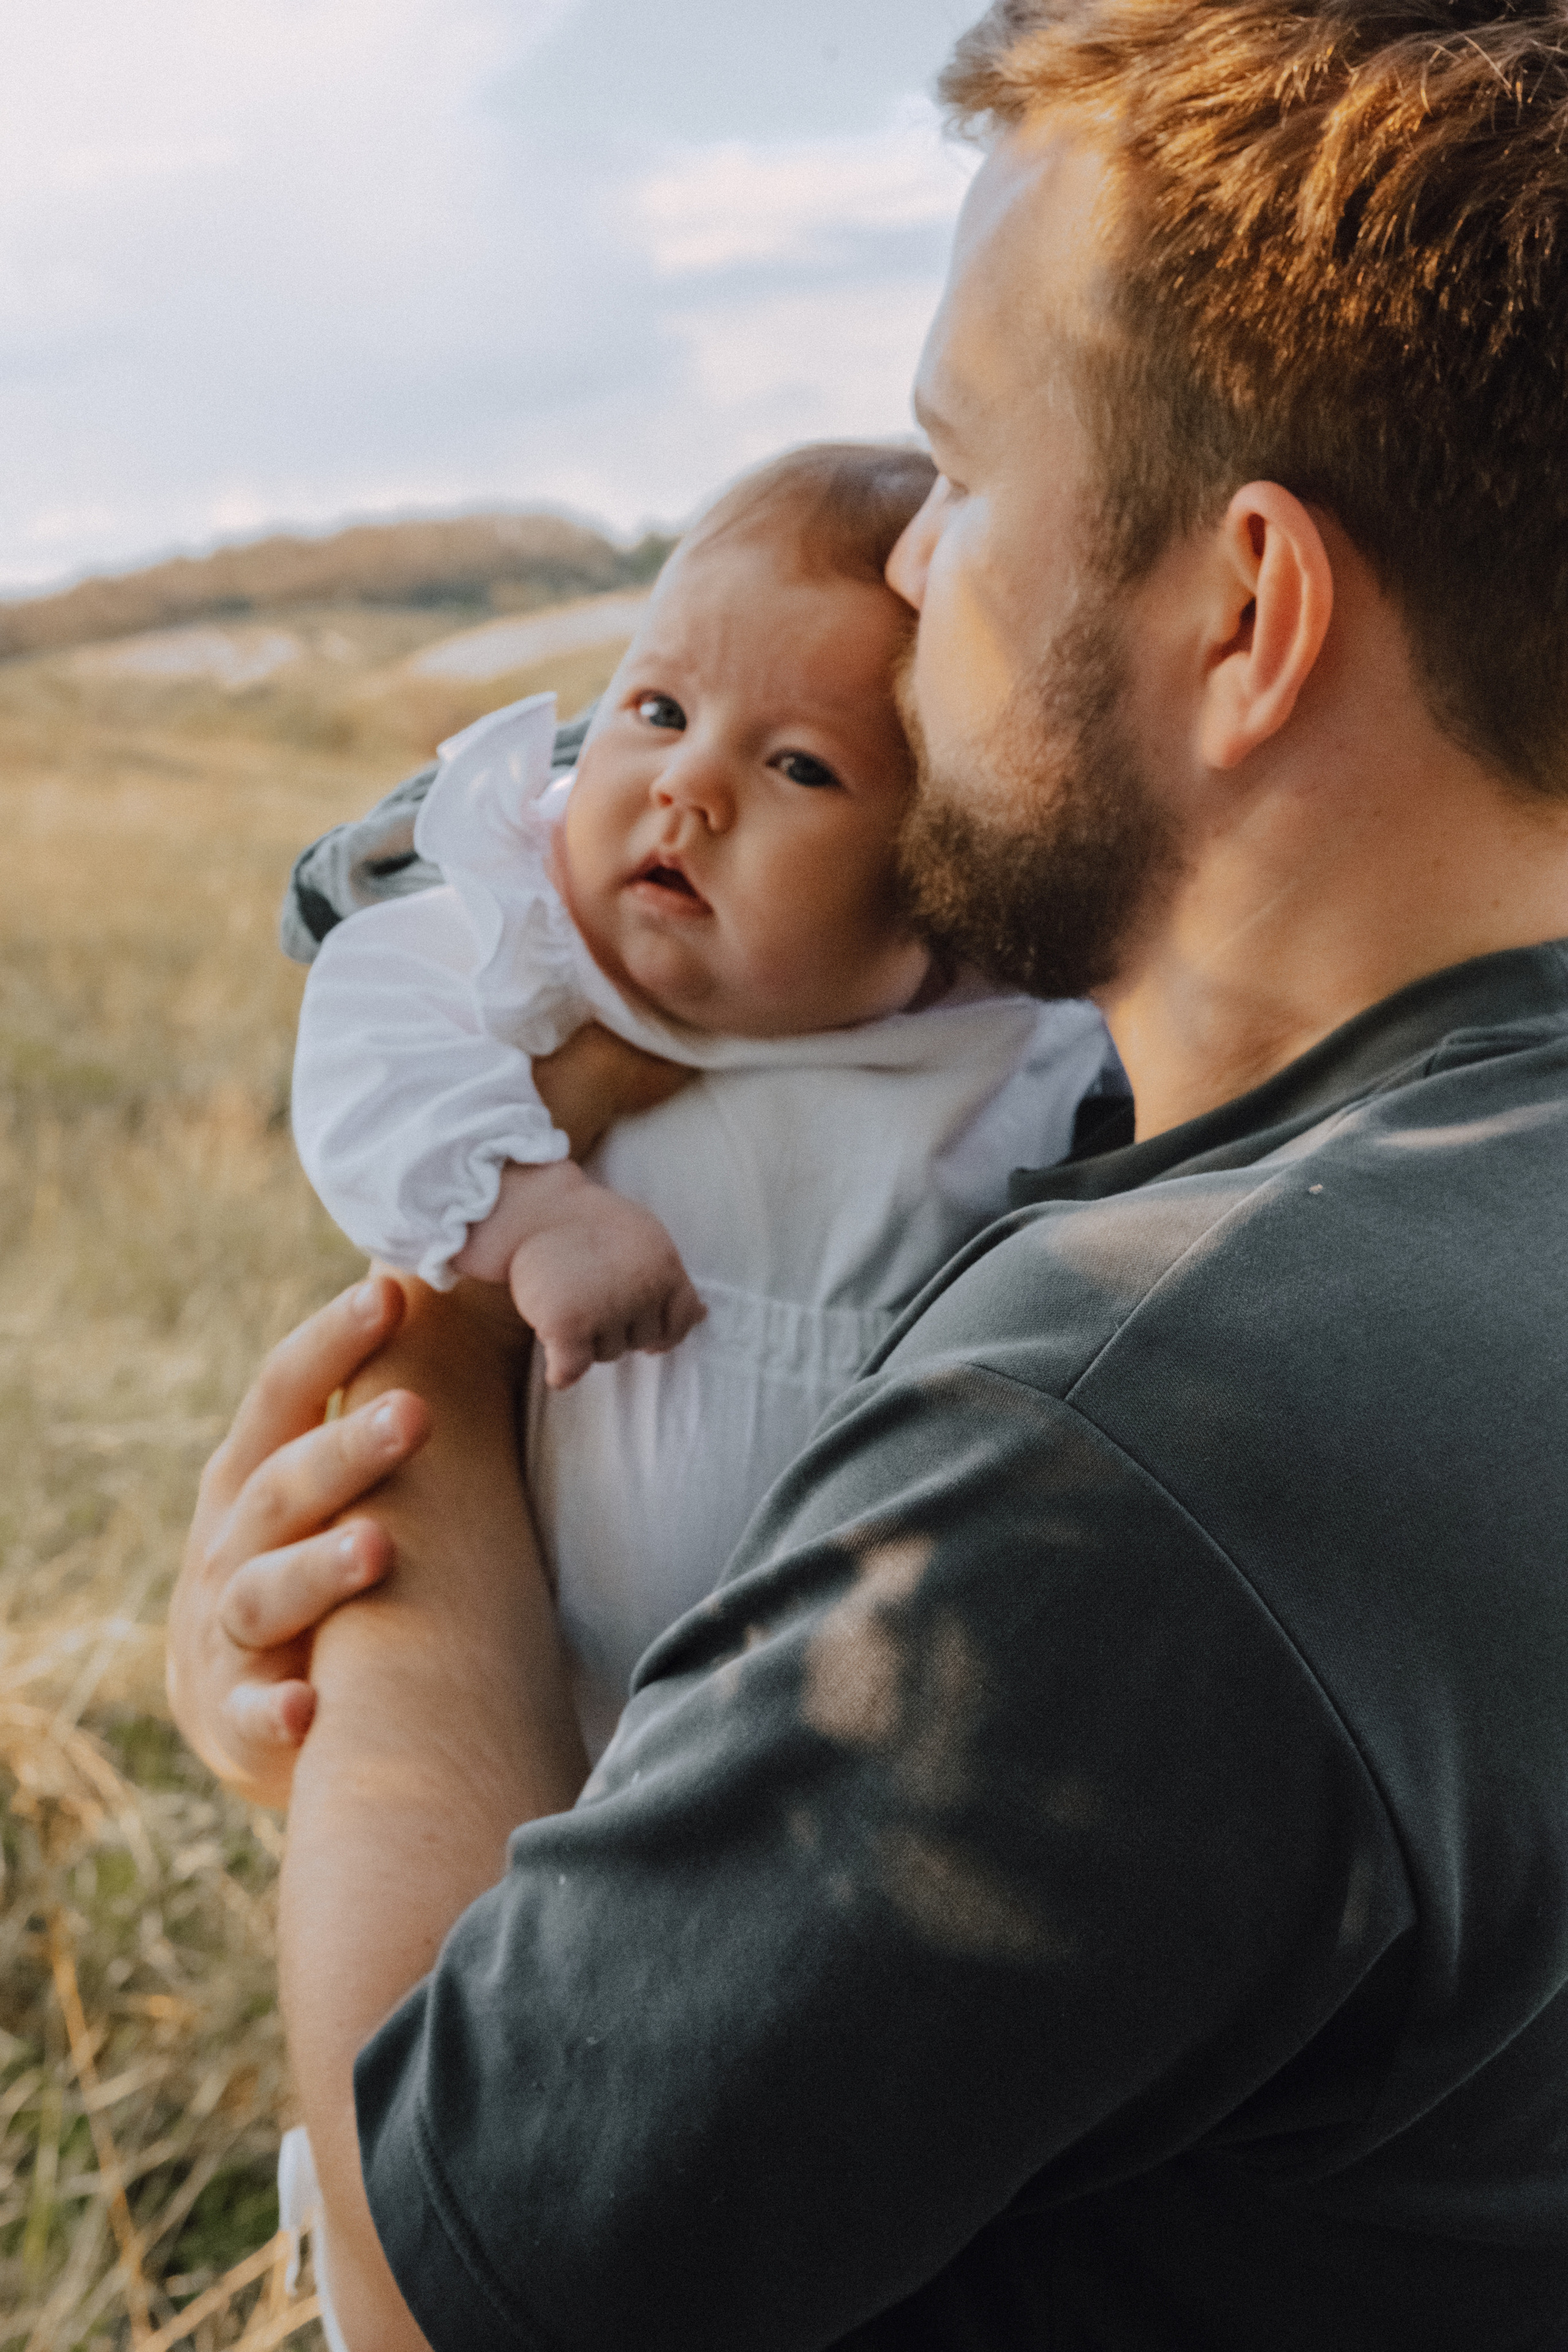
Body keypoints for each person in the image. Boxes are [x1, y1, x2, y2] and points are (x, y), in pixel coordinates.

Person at [168, 2, 1568, 2344]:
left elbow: (448, 2278)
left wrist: (423, 1424)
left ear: (1245, 611)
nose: (904, 575)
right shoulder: (1423, 1207)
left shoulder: (1134, 1446)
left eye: (960, 470)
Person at [288, 439, 1109, 1751]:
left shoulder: (1019, 1047)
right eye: (657, 711)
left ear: (939, 878)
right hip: (541, 1690)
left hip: (847, 1730)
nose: (687, 784)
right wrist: (535, 1212)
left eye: (798, 767)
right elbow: (366, 1050)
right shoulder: (536, 950)